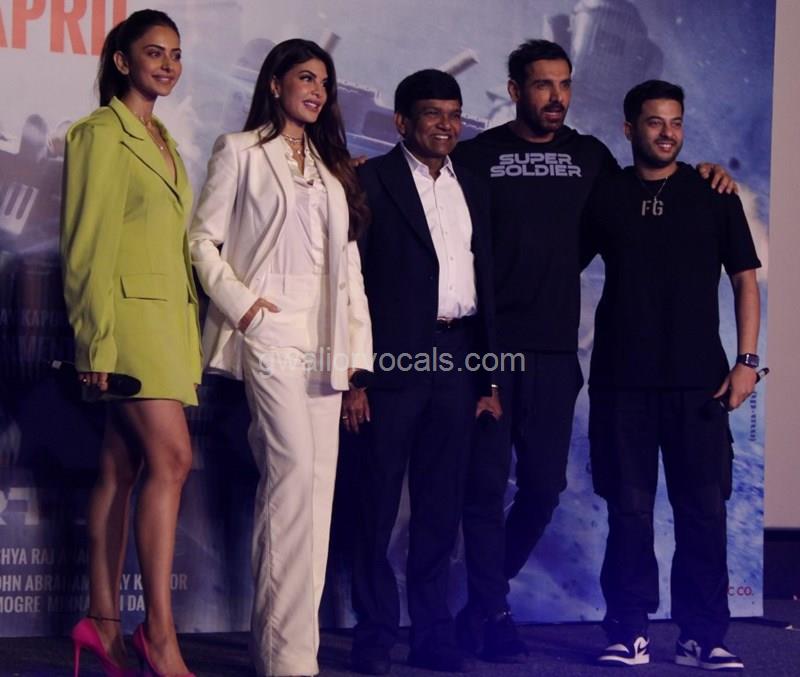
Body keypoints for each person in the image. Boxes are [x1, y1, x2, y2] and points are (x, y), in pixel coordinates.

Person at [451, 39, 735, 661]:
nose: (556, 96)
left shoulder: (592, 158)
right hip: (488, 347)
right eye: (542, 84)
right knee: (484, 489)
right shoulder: (477, 155)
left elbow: (652, 190)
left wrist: (709, 175)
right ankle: (491, 611)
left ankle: (482, 601)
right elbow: (422, 192)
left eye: (564, 84)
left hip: (556, 353)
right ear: (515, 90)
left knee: (542, 489)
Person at [188, 39, 372, 677]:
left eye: (324, 81)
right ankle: (281, 657)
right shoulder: (239, 151)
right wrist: (244, 308)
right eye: (305, 78)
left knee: (316, 492)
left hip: (325, 342)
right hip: (269, 331)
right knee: (290, 473)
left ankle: (297, 654)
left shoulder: (332, 167)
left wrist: (356, 354)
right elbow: (202, 240)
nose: (317, 91)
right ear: (275, 83)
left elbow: (348, 267)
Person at [581, 80, 759, 672]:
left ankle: (701, 637)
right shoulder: (605, 194)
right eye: (654, 122)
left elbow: (744, 280)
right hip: (621, 383)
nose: (667, 133)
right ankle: (628, 631)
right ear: (629, 128)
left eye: (676, 122)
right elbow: (557, 260)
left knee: (704, 514)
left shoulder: (713, 193)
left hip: (700, 385)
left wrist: (747, 361)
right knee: (629, 514)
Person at [60, 10, 200, 677]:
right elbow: (85, 247)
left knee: (122, 468)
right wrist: (95, 342)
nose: (168, 65)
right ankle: (160, 637)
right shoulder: (99, 134)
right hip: (128, 327)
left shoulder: (164, 137)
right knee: (173, 458)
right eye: (154, 52)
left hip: (168, 324)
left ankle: (102, 621)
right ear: (122, 61)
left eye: (175, 54)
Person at [348, 69, 499, 675]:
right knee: (375, 504)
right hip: (391, 362)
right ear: (401, 122)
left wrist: (488, 379)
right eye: (433, 113)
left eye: (454, 114)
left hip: (458, 359)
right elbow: (350, 283)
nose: (446, 125)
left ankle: (432, 635)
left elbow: (488, 284)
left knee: (441, 507)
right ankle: (374, 635)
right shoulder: (369, 181)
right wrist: (356, 376)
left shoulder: (475, 186)